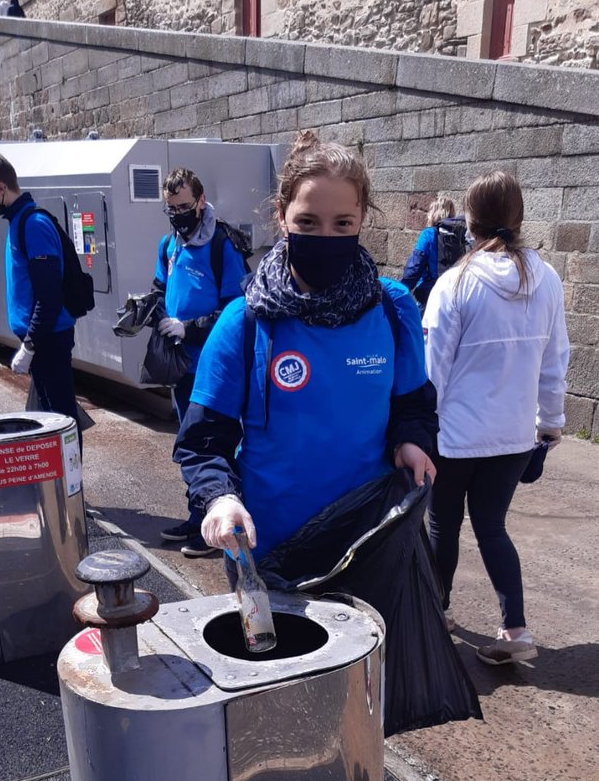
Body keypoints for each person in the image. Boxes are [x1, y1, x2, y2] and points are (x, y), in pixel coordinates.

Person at [174, 130, 437, 573]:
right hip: (267, 551)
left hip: (370, 545)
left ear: (360, 222)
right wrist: (220, 498)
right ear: (282, 217)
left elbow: (413, 406)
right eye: (308, 222)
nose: (326, 236)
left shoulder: (393, 309)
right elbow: (203, 441)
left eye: (343, 224)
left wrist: (411, 442)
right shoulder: (245, 321)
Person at [423, 170, 569, 665]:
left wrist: (420, 426)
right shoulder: (546, 278)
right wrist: (549, 425)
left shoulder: (456, 282)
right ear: (518, 217)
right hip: (514, 436)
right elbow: (556, 361)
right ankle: (516, 630)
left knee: (443, 524)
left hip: (456, 436)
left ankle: (438, 611)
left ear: (471, 221)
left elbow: (434, 369)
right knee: (492, 527)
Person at [154, 167, 248, 558]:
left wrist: (189, 327)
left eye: (184, 206)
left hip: (212, 368)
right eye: (171, 207)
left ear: (201, 201)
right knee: (190, 444)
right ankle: (199, 516)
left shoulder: (221, 244)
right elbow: (161, 286)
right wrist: (149, 311)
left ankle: (222, 523)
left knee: (215, 445)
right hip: (180, 363)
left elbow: (236, 309)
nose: (178, 213)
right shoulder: (169, 244)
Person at [0, 152, 82, 445]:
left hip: (48, 338)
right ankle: (59, 485)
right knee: (49, 416)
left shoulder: (32, 225)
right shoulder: (19, 221)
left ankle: (69, 486)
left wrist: (30, 345)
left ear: (0, 188)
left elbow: (49, 295)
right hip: (42, 337)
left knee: (61, 419)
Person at [402, 195, 466, 309]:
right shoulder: (460, 235)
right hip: (454, 295)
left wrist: (401, 289)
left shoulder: (429, 233)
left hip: (429, 294)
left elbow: (415, 265)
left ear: (434, 213)